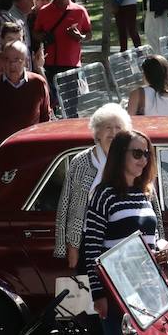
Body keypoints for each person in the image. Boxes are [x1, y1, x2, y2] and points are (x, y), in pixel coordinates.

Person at [81, 130, 165, 335]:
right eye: (137, 153)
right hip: (117, 290)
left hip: (150, 288)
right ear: (120, 155)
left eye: (147, 154)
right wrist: (98, 295)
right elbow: (91, 248)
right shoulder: (104, 195)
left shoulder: (146, 192)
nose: (144, 160)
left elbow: (152, 238)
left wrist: (159, 249)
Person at [54, 103, 133, 267]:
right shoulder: (81, 162)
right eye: (107, 127)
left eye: (118, 127)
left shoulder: (133, 160)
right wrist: (71, 247)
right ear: (97, 133)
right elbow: (66, 205)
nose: (113, 132)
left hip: (124, 243)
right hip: (88, 242)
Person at [0, 41, 50, 156]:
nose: (11, 65)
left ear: (26, 62)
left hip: (31, 149)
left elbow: (45, 117)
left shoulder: (38, 83)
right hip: (2, 150)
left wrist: (46, 149)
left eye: (17, 60)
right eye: (7, 60)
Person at [30, 0, 89, 106]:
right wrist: (44, 36)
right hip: (50, 64)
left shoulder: (80, 11)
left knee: (71, 105)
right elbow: (35, 33)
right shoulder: (44, 11)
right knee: (51, 103)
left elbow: (89, 35)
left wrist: (80, 36)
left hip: (71, 65)